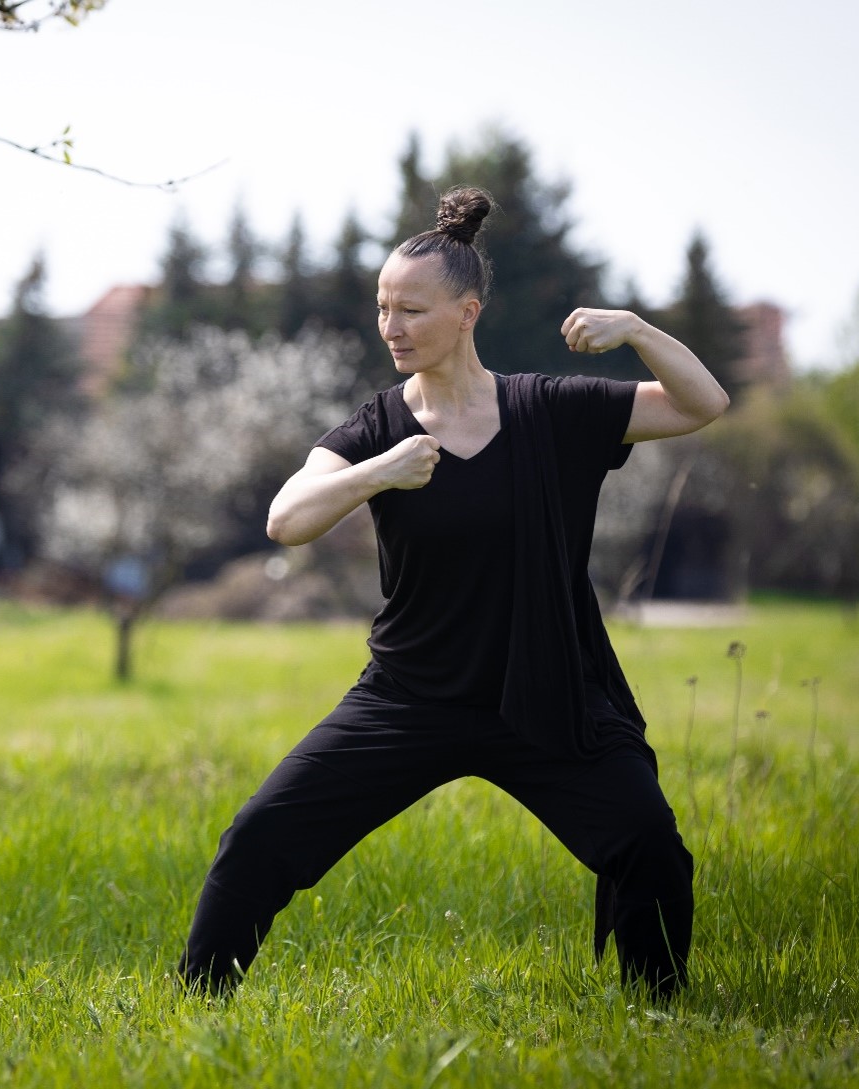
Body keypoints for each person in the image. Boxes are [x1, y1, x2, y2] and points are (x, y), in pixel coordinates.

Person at [177, 186, 729, 1000]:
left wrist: (639, 331)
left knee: (648, 841)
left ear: (467, 312)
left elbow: (703, 403)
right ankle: (196, 1003)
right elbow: (285, 520)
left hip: (545, 695)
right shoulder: (376, 427)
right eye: (383, 308)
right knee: (259, 836)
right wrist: (378, 472)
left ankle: (661, 1010)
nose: (391, 327)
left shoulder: (552, 409)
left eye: (412, 310)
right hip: (411, 694)